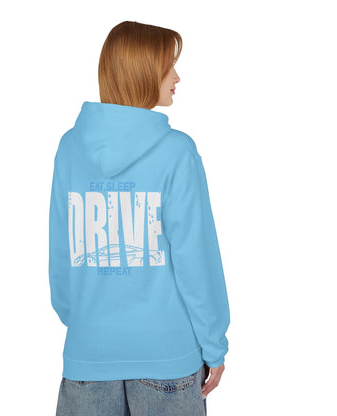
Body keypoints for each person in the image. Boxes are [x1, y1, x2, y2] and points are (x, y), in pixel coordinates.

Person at [49, 20, 230, 416]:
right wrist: (214, 344)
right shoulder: (177, 152)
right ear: (143, 71)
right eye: (168, 66)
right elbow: (196, 260)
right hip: (167, 357)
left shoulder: (70, 148)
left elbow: (62, 257)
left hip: (88, 356)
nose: (177, 76)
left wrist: (89, 326)